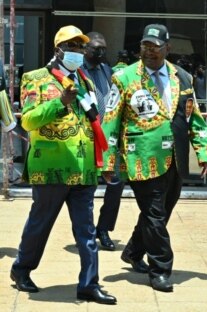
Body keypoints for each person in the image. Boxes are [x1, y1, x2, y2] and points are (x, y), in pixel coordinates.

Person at [101, 24, 207, 292]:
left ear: (167, 48)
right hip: (141, 157)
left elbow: (194, 117)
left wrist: (203, 151)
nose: (149, 51)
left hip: (176, 157)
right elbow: (110, 120)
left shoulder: (182, 77)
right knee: (154, 213)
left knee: (162, 212)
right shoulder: (124, 77)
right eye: (145, 46)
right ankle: (160, 268)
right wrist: (107, 160)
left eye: (155, 46)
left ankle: (132, 251)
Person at [10, 25, 116, 305]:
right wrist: (59, 102)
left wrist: (102, 161)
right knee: (40, 223)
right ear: (58, 49)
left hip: (83, 169)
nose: (78, 51)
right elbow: (29, 120)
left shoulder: (85, 81)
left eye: (80, 47)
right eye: (71, 46)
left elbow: (94, 125)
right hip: (52, 168)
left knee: (87, 231)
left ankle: (88, 284)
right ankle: (21, 269)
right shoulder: (36, 78)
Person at [81, 31, 124, 251]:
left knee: (116, 183)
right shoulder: (77, 72)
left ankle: (104, 229)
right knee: (86, 187)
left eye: (104, 48)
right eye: (96, 48)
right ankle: (85, 232)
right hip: (86, 137)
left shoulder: (108, 70)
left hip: (108, 138)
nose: (101, 52)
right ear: (85, 49)